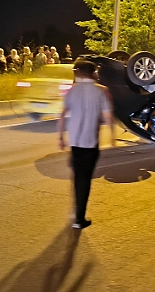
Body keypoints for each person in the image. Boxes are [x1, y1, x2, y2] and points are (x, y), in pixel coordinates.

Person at [57, 60, 114, 230]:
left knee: (78, 178)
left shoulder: (71, 91)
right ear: (93, 73)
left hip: (75, 142)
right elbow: (108, 117)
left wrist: (60, 137)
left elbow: (62, 116)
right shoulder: (101, 92)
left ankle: (77, 212)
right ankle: (79, 218)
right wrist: (113, 136)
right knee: (84, 180)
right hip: (90, 143)